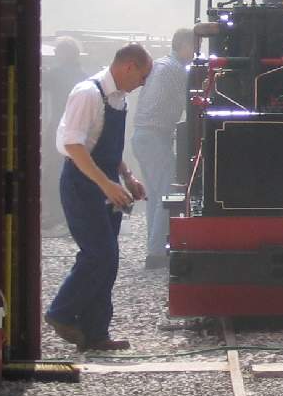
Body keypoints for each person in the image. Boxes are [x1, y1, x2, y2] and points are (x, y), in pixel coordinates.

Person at [44, 43, 152, 352]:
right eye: (142, 76)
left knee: (109, 258)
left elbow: (109, 147)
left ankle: (95, 332)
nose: (142, 84)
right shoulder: (88, 94)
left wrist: (127, 177)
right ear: (128, 66)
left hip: (106, 184)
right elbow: (74, 146)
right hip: (82, 184)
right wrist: (106, 185)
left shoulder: (118, 99)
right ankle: (60, 312)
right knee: (99, 254)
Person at [130, 28, 195, 269]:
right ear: (183, 45)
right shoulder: (176, 70)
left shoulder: (161, 64)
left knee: (157, 195)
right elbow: (190, 102)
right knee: (167, 194)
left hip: (144, 136)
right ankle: (157, 252)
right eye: (194, 46)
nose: (196, 52)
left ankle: (154, 247)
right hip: (155, 136)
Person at [40, 36, 84, 235]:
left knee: (52, 170)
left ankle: (55, 213)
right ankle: (71, 213)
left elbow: (40, 81)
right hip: (78, 128)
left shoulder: (57, 74)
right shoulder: (82, 75)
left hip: (59, 126)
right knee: (75, 171)